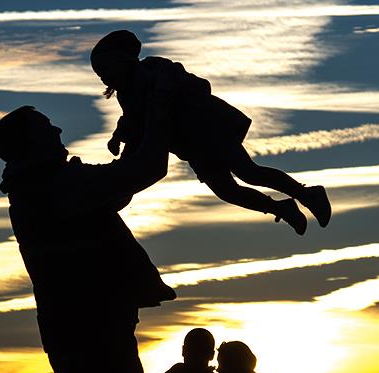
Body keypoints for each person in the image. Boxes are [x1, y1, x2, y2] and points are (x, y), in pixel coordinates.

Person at [0, 72, 175, 373]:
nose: (57, 129)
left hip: (81, 331)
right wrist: (157, 110)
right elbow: (145, 170)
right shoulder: (56, 186)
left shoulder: (41, 187)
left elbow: (121, 183)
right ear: (29, 143)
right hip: (94, 332)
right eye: (45, 126)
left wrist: (138, 123)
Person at [90, 29, 331, 236]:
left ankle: (307, 194)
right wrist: (118, 137)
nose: (104, 78)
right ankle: (283, 208)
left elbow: (190, 84)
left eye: (106, 71)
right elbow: (133, 120)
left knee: (248, 172)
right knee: (226, 190)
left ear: (123, 61)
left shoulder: (155, 68)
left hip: (208, 130)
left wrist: (164, 96)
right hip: (191, 145)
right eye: (100, 75)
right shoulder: (127, 94)